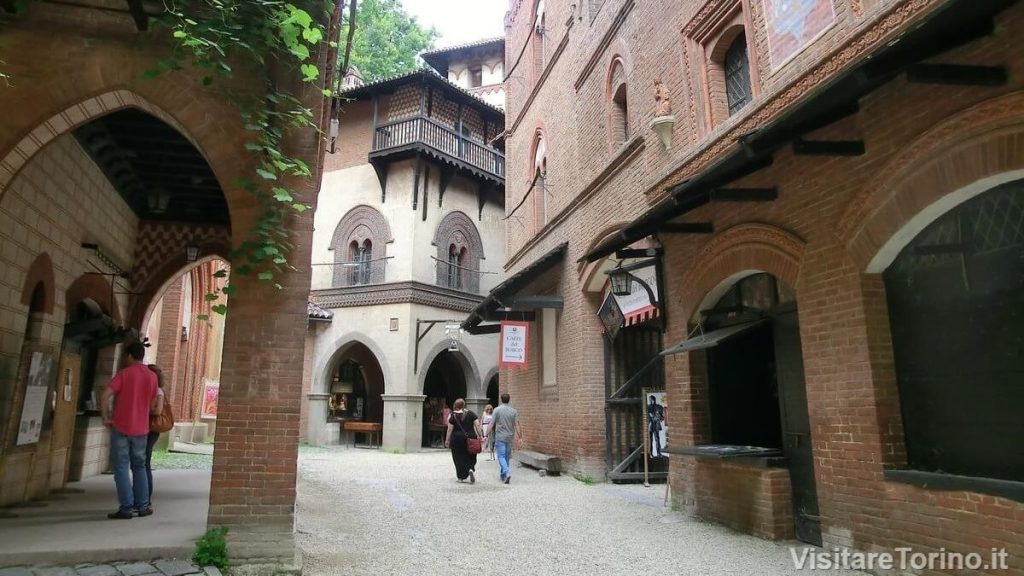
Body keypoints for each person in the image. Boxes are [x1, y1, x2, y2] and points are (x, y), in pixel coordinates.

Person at [100, 340, 158, 519]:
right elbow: (153, 403)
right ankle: (142, 506)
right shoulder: (152, 377)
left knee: (121, 467)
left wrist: (106, 416)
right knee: (139, 466)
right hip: (141, 428)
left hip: (121, 427)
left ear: (130, 356)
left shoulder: (124, 374)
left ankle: (126, 507)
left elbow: (106, 394)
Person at [443, 398, 483, 483]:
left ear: (455, 406)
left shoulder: (452, 415)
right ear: (464, 405)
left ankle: (460, 477)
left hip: (457, 439)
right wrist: (481, 436)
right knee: (471, 454)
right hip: (471, 437)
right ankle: (471, 468)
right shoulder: (471, 414)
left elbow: (450, 429)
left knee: (457, 457)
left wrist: (447, 440)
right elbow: (477, 425)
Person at [488, 393, 523, 484]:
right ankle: (503, 475)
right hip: (510, 437)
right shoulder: (513, 411)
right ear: (509, 399)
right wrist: (520, 437)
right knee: (506, 456)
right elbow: (517, 425)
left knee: (501, 456)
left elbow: (491, 423)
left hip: (500, 436)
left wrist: (485, 434)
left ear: (501, 399)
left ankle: (507, 472)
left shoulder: (497, 410)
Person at [144, 364, 167, 502]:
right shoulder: (154, 390)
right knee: (144, 461)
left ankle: (146, 495)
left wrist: (141, 409)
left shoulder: (158, 391)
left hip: (151, 429)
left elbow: (157, 411)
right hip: (148, 429)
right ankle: (144, 495)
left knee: (145, 461)